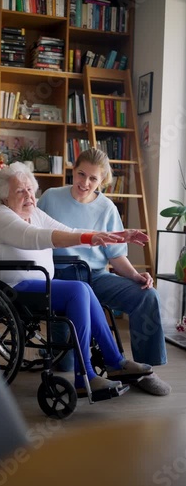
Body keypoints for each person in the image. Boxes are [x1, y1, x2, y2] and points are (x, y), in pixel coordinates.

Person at [0, 162, 153, 397]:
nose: (29, 196)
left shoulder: (34, 213)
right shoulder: (0, 217)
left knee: (84, 289)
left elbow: (70, 230)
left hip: (39, 285)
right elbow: (37, 238)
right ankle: (86, 376)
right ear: (4, 197)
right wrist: (88, 238)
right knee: (78, 290)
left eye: (30, 189)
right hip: (11, 289)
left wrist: (118, 236)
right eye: (20, 191)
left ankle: (115, 362)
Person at [37, 147, 171, 396]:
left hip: (94, 275)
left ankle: (144, 371)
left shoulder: (107, 208)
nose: (84, 183)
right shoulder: (50, 198)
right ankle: (64, 355)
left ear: (102, 181)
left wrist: (135, 276)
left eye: (93, 178)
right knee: (64, 363)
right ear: (73, 171)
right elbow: (35, 236)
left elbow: (116, 256)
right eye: (81, 174)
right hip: (60, 277)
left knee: (146, 294)